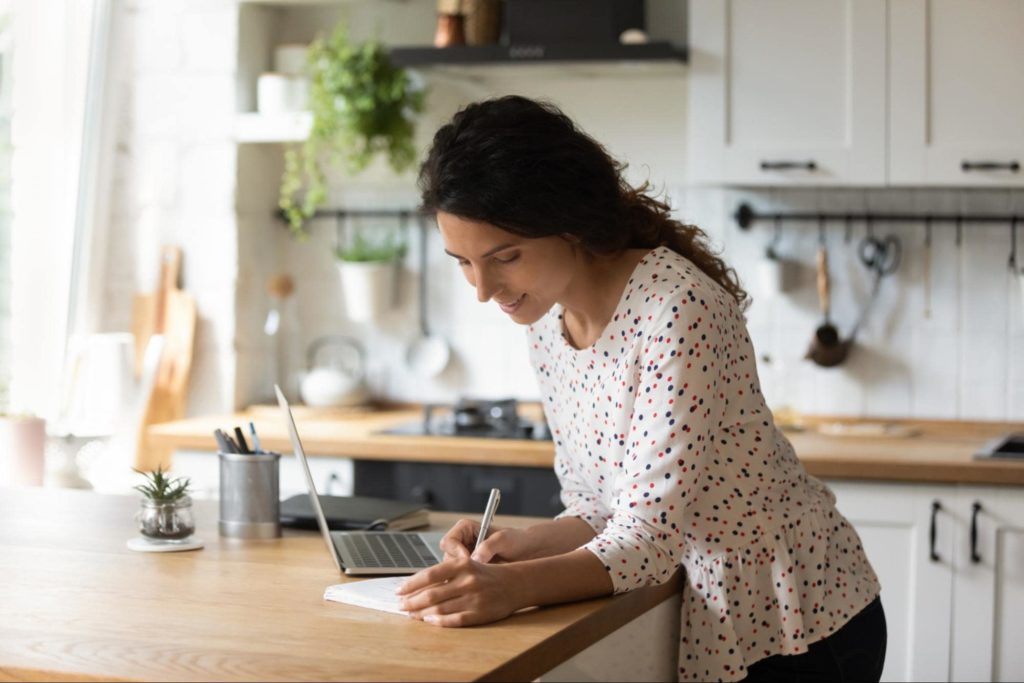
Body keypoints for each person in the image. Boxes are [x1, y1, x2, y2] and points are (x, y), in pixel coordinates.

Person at [395, 95, 886, 682]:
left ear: (569, 221)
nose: (483, 289)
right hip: (715, 619)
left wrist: (507, 589)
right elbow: (604, 509)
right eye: (463, 263)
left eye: (505, 257)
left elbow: (650, 538)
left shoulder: (677, 310)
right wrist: (517, 547)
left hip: (798, 622)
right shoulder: (549, 325)